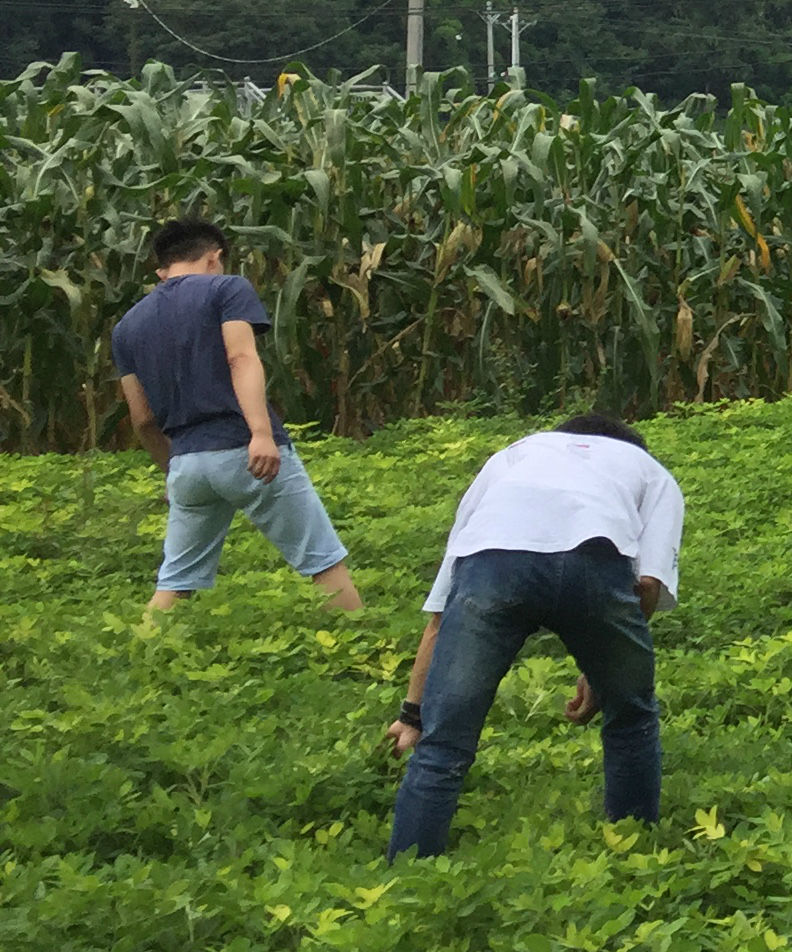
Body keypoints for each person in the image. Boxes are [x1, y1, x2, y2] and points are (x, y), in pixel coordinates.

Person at [387, 414, 684, 860]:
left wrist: (413, 715)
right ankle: (635, 854)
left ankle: (409, 871)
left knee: (444, 742)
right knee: (631, 718)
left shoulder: (513, 456)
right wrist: (603, 674)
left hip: (493, 563)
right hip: (595, 560)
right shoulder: (650, 471)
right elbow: (647, 584)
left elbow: (440, 616)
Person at [111, 217, 361, 615]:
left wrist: (171, 471)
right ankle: (359, 641)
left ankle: (143, 647)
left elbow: (142, 418)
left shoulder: (127, 327)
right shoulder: (226, 289)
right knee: (324, 563)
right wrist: (260, 433)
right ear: (214, 258)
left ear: (163, 270)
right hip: (245, 449)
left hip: (187, 465)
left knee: (174, 583)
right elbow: (241, 357)